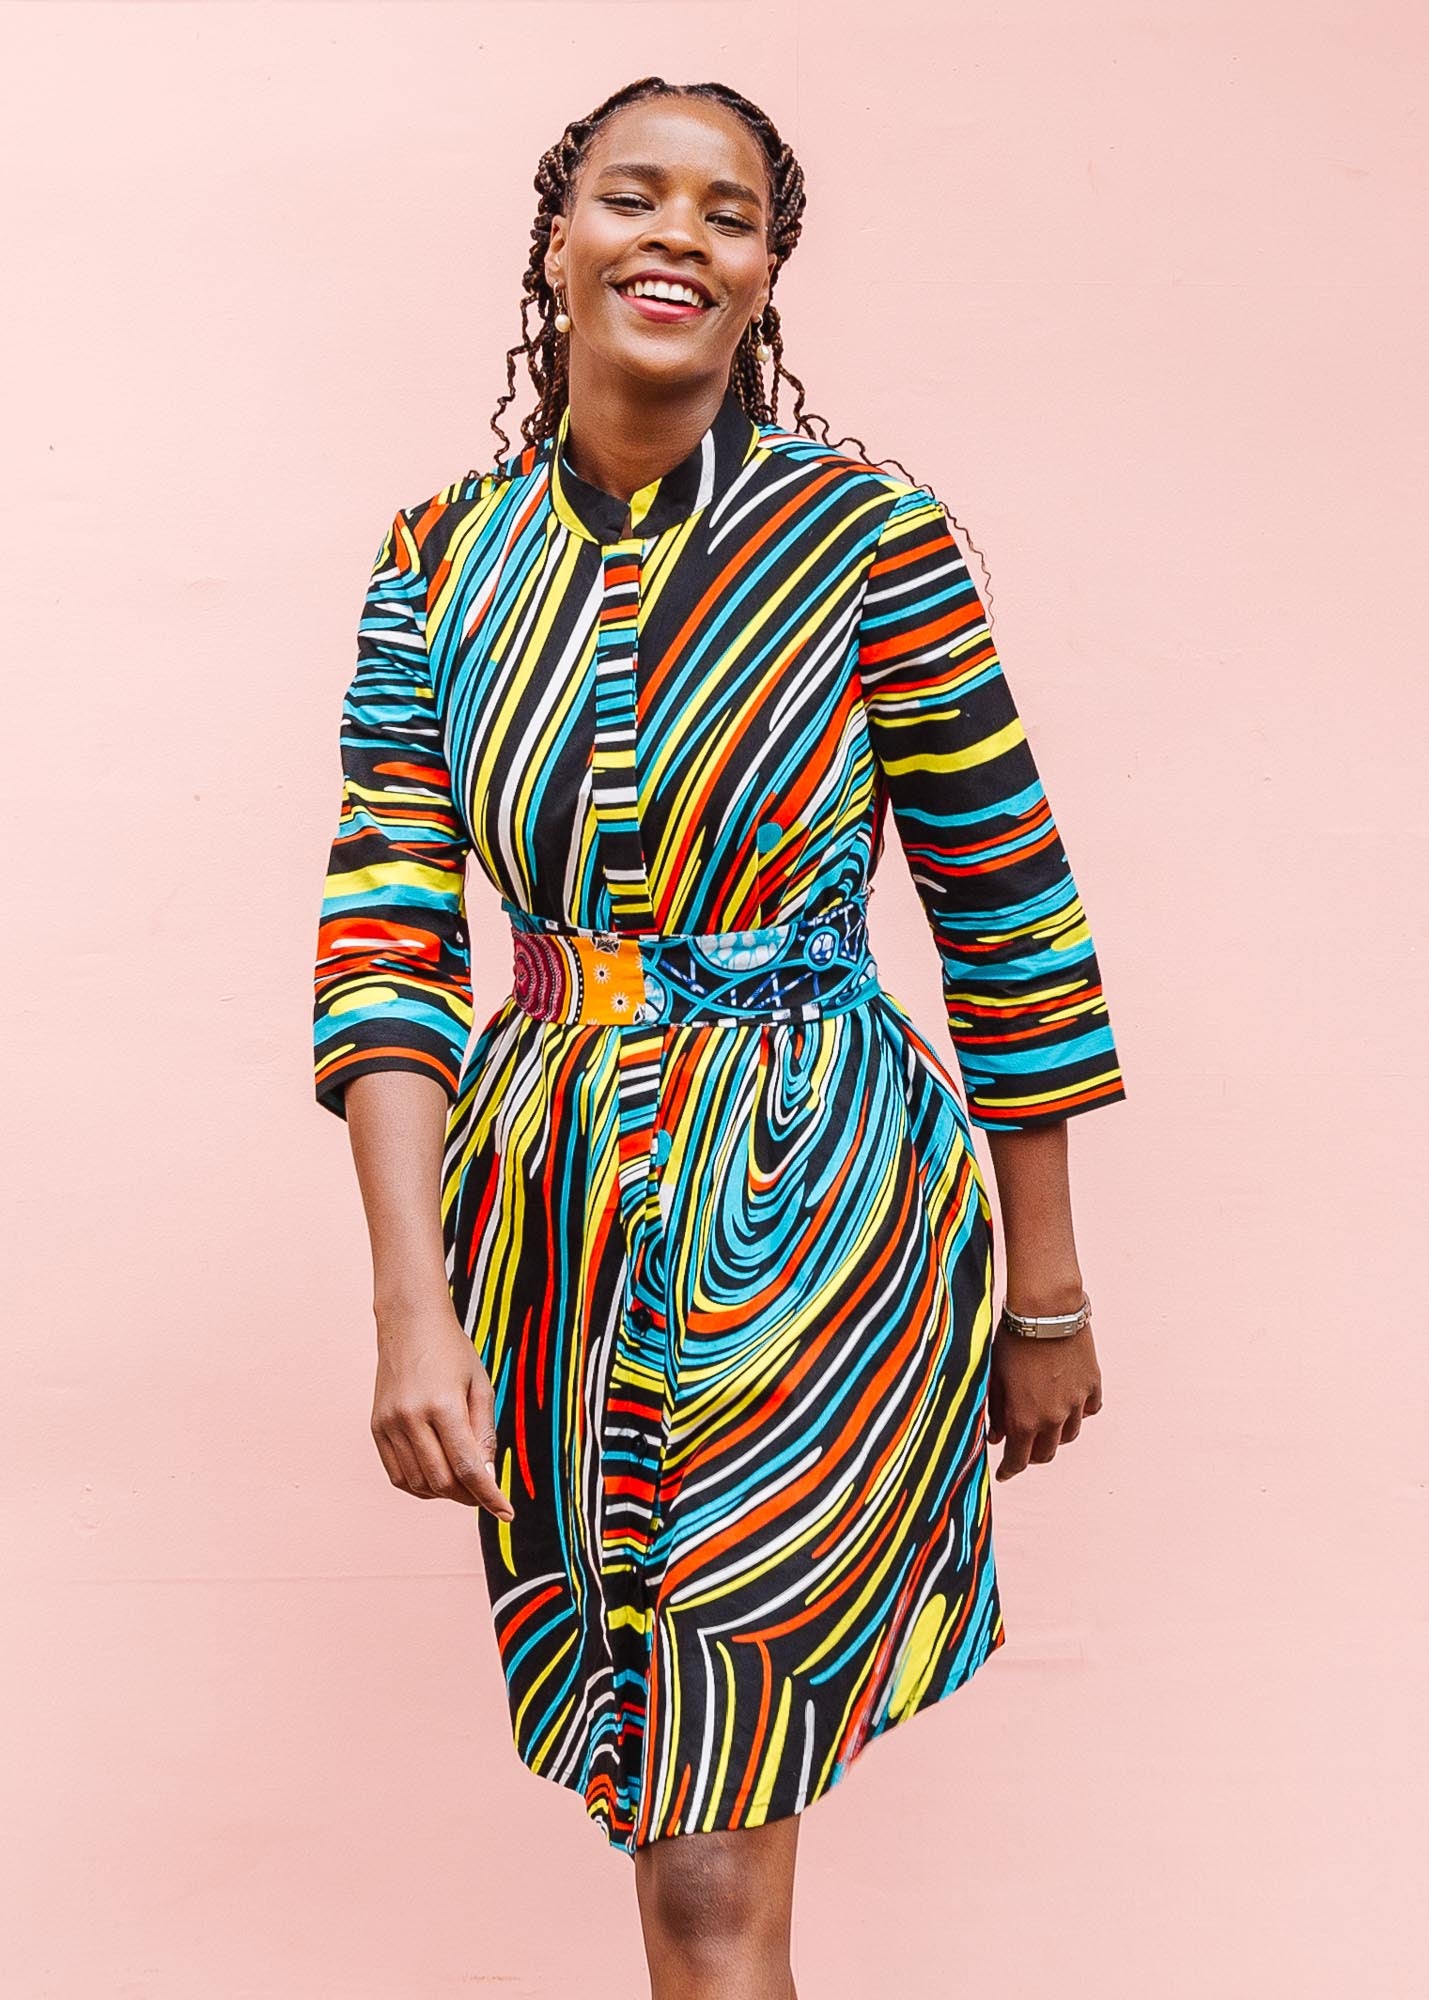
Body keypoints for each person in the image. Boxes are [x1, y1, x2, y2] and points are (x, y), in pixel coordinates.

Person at [312, 73, 1126, 2000]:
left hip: (811, 1207)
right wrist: (412, 1307)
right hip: (549, 1228)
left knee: (704, 1845)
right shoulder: (439, 557)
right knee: (654, 1806)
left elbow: (1006, 909)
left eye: (728, 212)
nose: (676, 233)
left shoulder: (867, 541)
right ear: (557, 240)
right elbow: (385, 946)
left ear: (765, 275)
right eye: (632, 195)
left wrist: (1047, 1293)